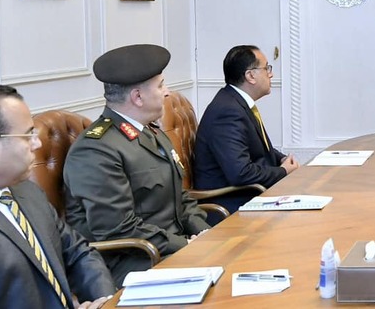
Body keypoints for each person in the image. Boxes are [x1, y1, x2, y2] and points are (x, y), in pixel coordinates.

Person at [0, 85, 113, 308]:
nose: (37, 143)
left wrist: (106, 302)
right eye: (28, 135)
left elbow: (78, 253)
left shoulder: (26, 190)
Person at [63, 44, 210, 286]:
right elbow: (118, 230)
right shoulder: (96, 150)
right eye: (161, 85)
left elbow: (180, 198)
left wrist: (205, 233)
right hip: (132, 261)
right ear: (138, 97)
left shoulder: (151, 132)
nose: (167, 93)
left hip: (169, 249)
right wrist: (185, 245)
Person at [193, 45, 299, 213]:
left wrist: (282, 159)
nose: (271, 74)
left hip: (249, 194)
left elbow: (259, 150)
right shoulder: (227, 111)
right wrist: (283, 171)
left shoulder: (235, 102)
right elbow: (241, 173)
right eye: (266, 68)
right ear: (250, 76)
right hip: (231, 204)